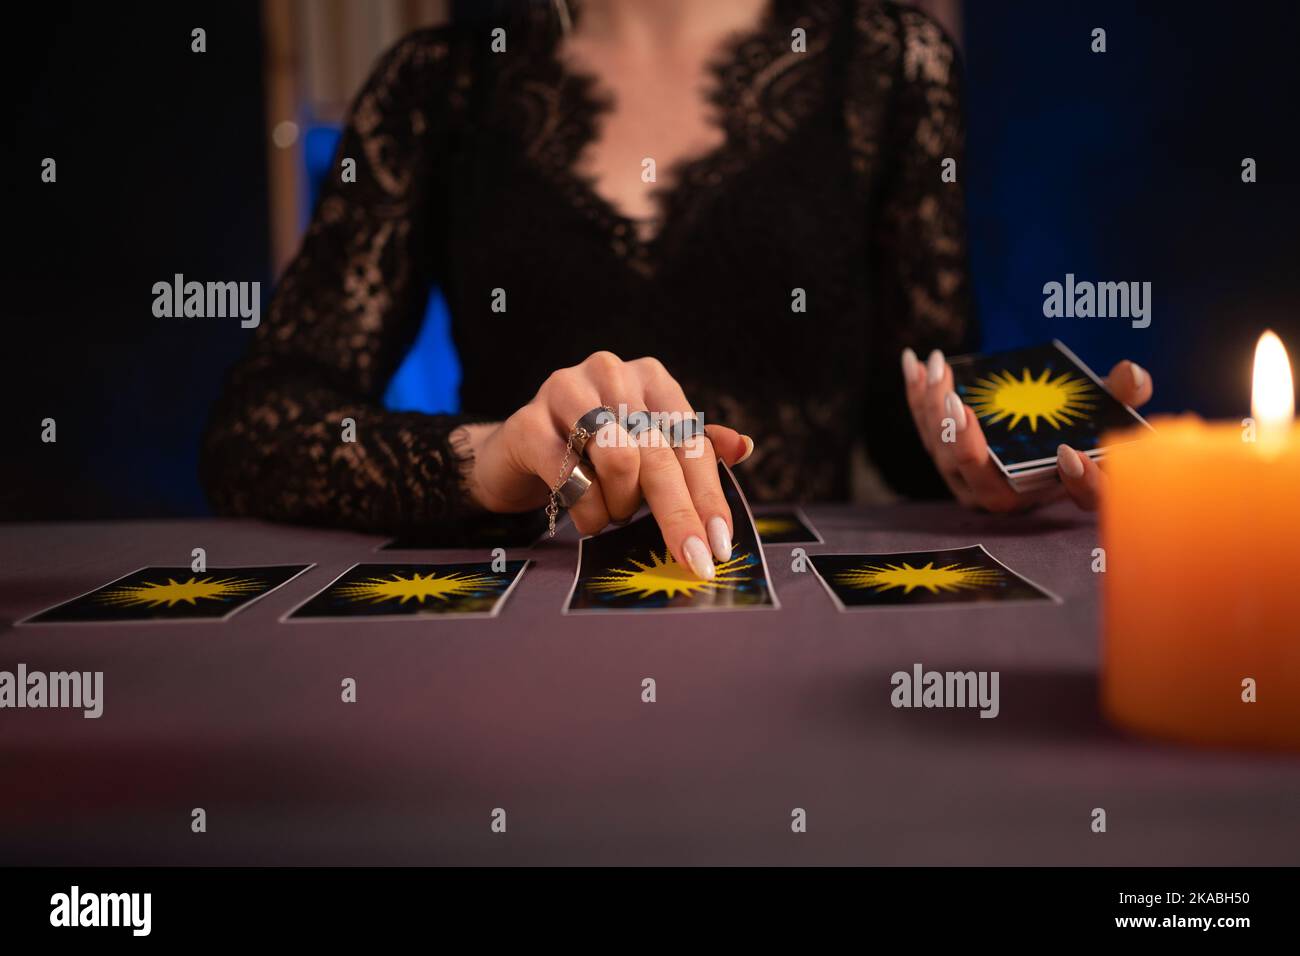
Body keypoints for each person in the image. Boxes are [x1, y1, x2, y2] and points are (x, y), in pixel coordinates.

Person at [200, 0, 1152, 582]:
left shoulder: (892, 65)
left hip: (790, 625)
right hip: (520, 615)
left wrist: (967, 454)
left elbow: (909, 403)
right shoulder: (432, 85)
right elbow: (257, 430)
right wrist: (485, 455)